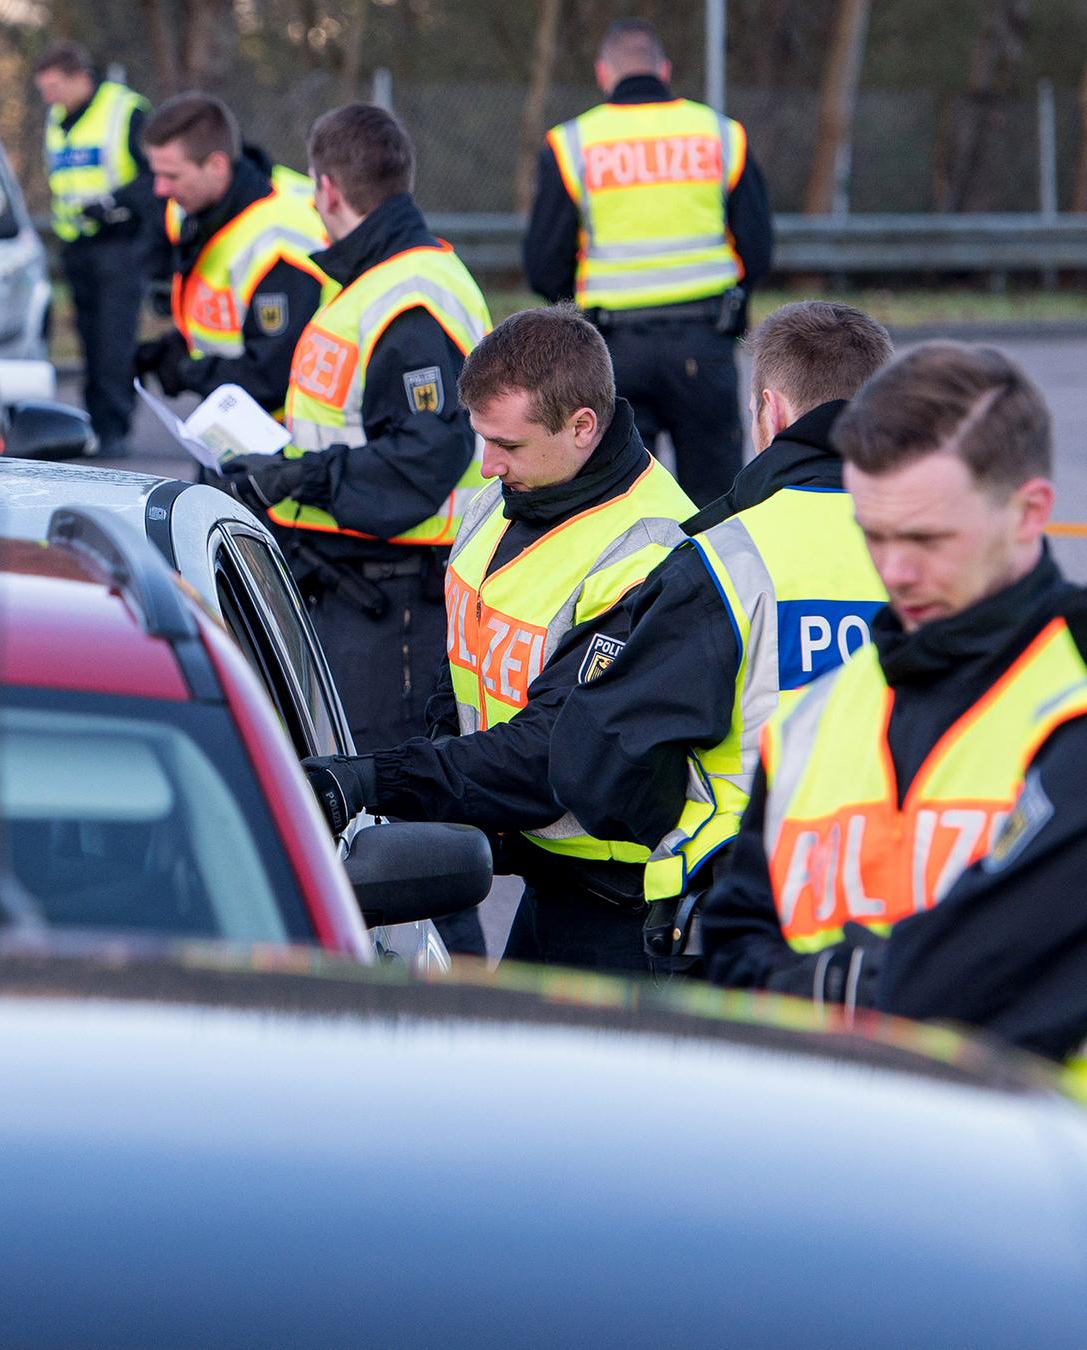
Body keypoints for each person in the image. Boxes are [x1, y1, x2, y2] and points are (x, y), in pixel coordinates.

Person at [298, 307, 692, 968]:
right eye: (481, 439)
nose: (485, 466)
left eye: (506, 444)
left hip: (622, 909)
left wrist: (379, 778)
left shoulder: (650, 552)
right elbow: (460, 660)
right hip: (544, 876)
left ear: (582, 427)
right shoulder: (511, 495)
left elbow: (550, 753)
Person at [696, 343, 1084, 1007]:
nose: (895, 573)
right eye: (874, 535)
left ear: (1028, 512)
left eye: (928, 539)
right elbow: (734, 940)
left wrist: (842, 989)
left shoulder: (1071, 691)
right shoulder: (813, 718)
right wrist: (840, 987)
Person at [549, 302, 894, 965]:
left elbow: (596, 762)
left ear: (771, 412)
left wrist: (677, 820)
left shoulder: (723, 556)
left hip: (749, 910)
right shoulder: (951, 550)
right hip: (912, 912)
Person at [213, 103, 488, 753]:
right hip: (359, 583)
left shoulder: (409, 296)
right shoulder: (375, 278)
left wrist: (300, 478)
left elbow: (426, 456)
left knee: (381, 782)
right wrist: (277, 466)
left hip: (398, 593)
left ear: (327, 189)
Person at [524, 19, 772, 507]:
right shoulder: (721, 135)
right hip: (705, 342)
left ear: (603, 73)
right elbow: (758, 248)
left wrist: (582, 312)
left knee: (619, 502)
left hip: (614, 348)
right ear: (664, 69)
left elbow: (543, 264)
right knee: (718, 501)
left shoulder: (573, 143)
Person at [133, 94, 328, 421]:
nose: (160, 190)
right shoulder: (197, 209)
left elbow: (272, 376)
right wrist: (176, 345)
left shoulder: (279, 243)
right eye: (157, 174)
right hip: (235, 421)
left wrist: (187, 371)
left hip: (288, 431)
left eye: (172, 176)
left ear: (217, 165)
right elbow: (229, 314)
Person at [33, 42, 152, 455]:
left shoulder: (125, 111)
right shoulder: (58, 118)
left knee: (114, 341)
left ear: (81, 78)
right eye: (43, 90)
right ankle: (95, 425)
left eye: (54, 87)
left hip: (119, 244)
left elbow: (154, 177)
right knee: (89, 339)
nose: (48, 98)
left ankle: (115, 429)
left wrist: (114, 203)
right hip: (77, 246)